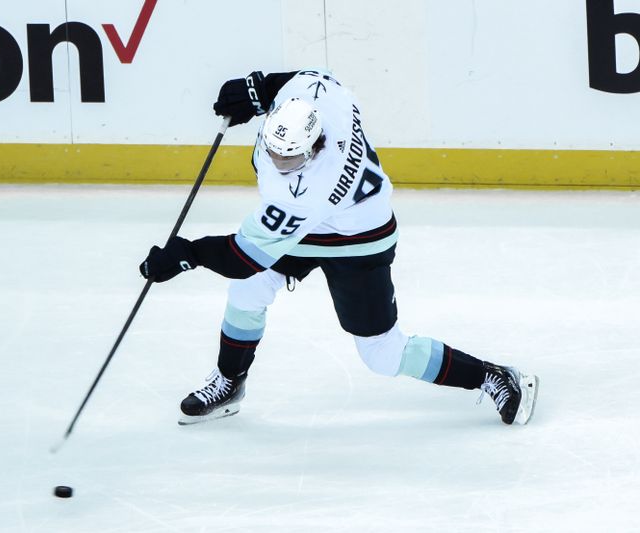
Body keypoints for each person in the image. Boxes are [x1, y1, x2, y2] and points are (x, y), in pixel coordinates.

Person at [139, 69, 539, 426]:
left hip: (357, 239)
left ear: (313, 149)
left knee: (381, 354)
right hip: (309, 228)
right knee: (248, 292)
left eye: (289, 156)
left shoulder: (303, 190)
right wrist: (260, 89)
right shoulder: (320, 96)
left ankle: (492, 375)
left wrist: (187, 254)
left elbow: (242, 257)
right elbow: (301, 78)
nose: (277, 159)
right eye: (272, 148)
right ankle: (230, 381)